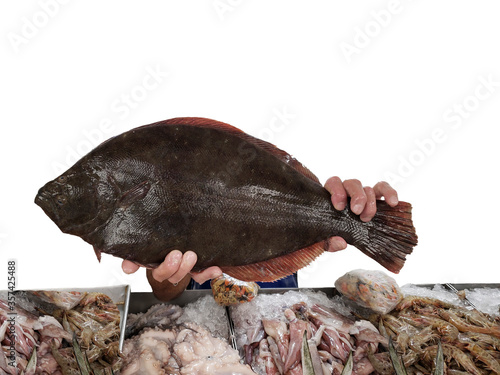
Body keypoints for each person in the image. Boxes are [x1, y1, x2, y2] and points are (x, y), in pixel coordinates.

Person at [121, 177, 399, 301]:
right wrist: (168, 274)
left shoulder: (280, 183)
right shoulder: (176, 192)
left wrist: (354, 210)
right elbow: (165, 292)